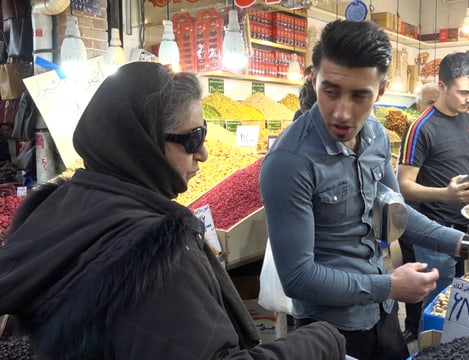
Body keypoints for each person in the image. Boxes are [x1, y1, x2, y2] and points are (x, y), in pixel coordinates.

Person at [0, 62, 346, 359]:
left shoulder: (53, 208)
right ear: (144, 142)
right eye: (193, 139)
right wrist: (321, 339)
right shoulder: (159, 254)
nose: (205, 154)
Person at [260, 20, 469, 360]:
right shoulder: (289, 162)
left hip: (382, 315)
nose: (342, 112)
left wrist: (463, 245)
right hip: (328, 331)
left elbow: (396, 211)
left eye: (360, 95)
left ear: (381, 91)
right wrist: (389, 285)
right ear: (314, 79)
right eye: (330, 90)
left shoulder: (376, 136)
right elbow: (298, 277)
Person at [397, 52, 469, 321]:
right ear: (442, 86)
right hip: (435, 233)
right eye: (463, 92)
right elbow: (404, 186)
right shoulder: (420, 128)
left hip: (468, 231)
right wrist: (446, 195)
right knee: (436, 312)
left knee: (458, 308)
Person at [397, 81, 441, 343]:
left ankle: (432, 328)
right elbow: (405, 185)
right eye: (429, 104)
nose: (434, 110)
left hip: (444, 219)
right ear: (418, 105)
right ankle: (414, 326)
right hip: (416, 214)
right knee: (415, 269)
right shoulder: (415, 132)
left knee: (438, 281)